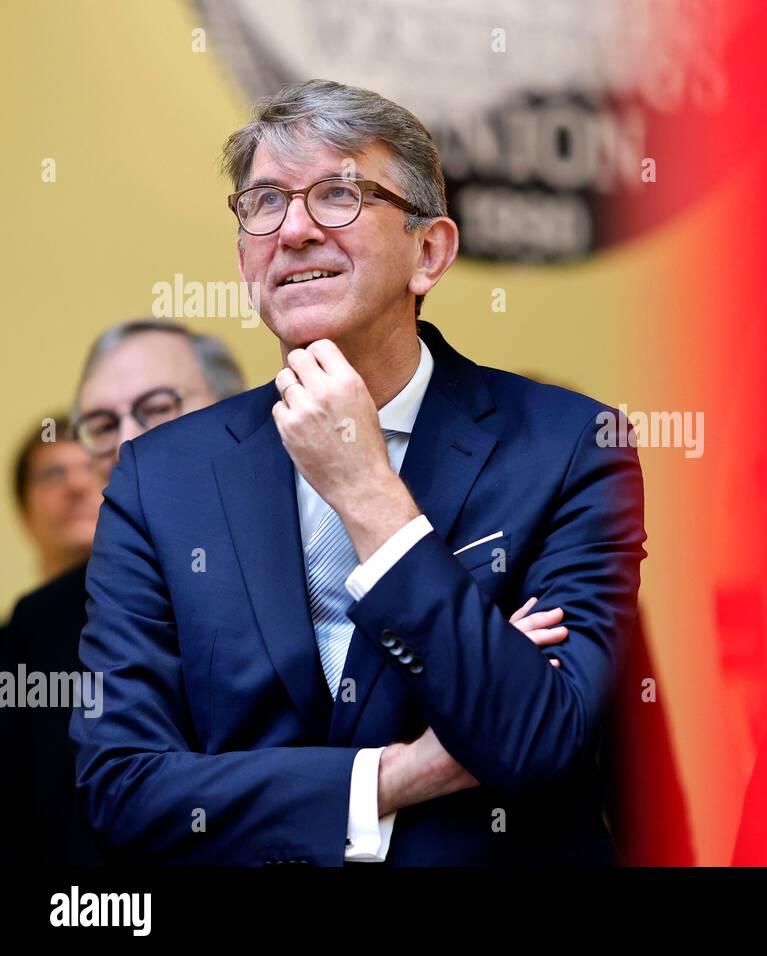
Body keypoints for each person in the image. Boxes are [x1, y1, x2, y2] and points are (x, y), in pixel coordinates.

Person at [69, 78, 647, 866]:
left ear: (429, 251)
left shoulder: (568, 445)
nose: (295, 229)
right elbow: (124, 789)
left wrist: (368, 491)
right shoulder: (160, 478)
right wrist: (394, 775)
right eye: (265, 202)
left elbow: (535, 737)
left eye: (339, 194)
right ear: (245, 258)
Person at [1, 319, 246, 865]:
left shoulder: (316, 561)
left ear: (234, 411)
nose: (128, 442)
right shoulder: (42, 623)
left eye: (158, 407)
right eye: (102, 424)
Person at [9, 416, 100, 585]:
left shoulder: (163, 605)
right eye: (52, 474)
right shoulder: (22, 611)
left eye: (92, 468)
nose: (77, 484)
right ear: (25, 512)